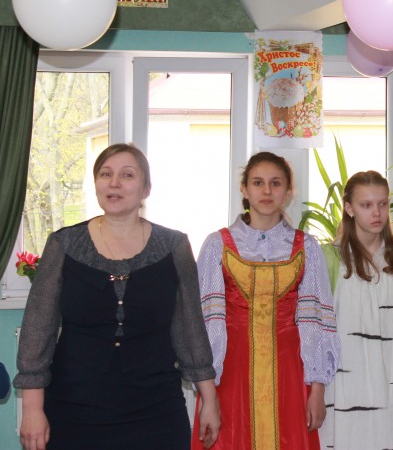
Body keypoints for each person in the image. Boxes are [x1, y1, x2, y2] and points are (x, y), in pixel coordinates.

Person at [15, 143, 220, 450]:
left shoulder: (174, 245)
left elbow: (189, 328)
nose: (114, 183)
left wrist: (209, 400)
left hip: (157, 409)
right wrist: (32, 410)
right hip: (74, 408)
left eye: (127, 175)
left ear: (146, 189)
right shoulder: (64, 243)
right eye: (105, 174)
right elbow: (37, 329)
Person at [195, 151, 340, 450]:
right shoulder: (216, 245)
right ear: (244, 189)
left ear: (288, 191)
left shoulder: (307, 247)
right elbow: (205, 324)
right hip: (230, 373)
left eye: (275, 183)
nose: (266, 191)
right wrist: (208, 392)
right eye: (258, 182)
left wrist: (317, 389)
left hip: (289, 374)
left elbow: (315, 320)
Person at [320, 170, 393, 450]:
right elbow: (320, 324)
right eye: (366, 205)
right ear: (349, 208)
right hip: (346, 380)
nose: (377, 212)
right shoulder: (330, 257)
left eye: (383, 203)